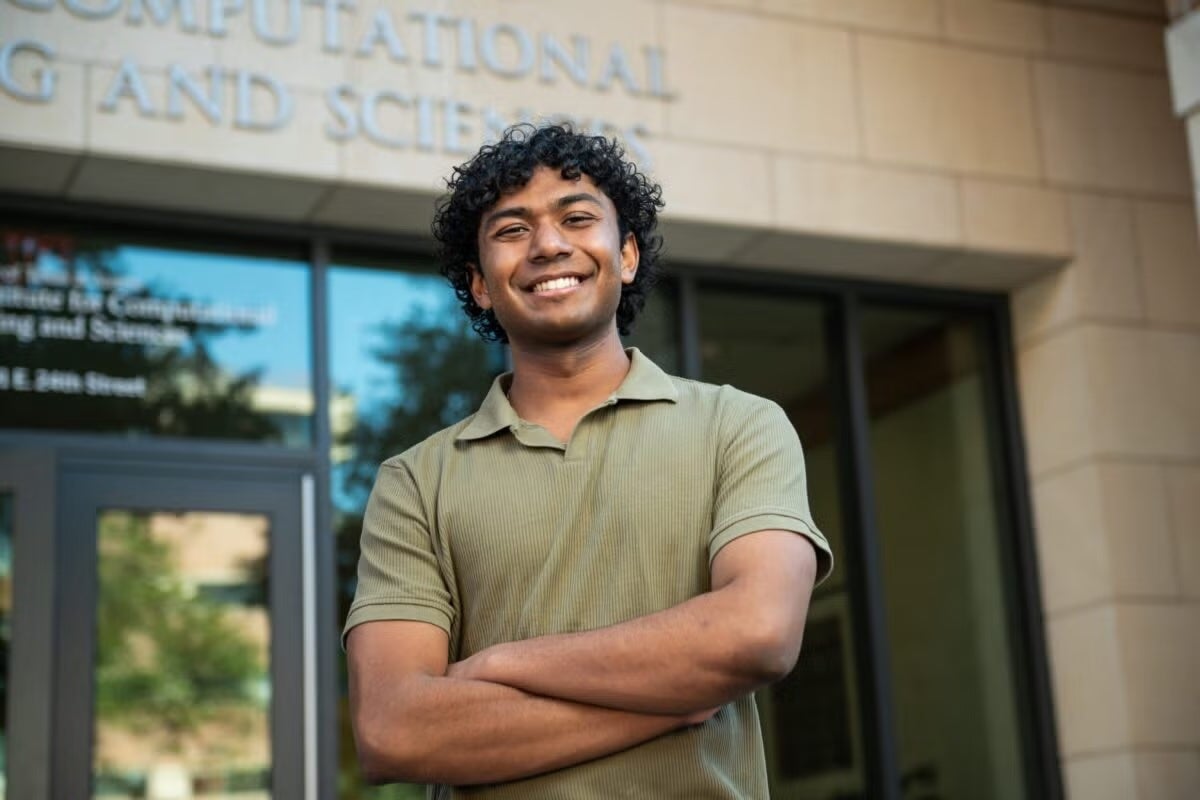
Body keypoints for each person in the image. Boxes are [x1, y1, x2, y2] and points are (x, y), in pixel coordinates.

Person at [343, 123, 834, 799]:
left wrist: (499, 664)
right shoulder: (415, 482)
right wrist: (673, 693)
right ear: (480, 285)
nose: (548, 244)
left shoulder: (739, 426)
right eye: (512, 230)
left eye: (576, 218)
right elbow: (394, 730)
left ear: (626, 254)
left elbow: (758, 634)